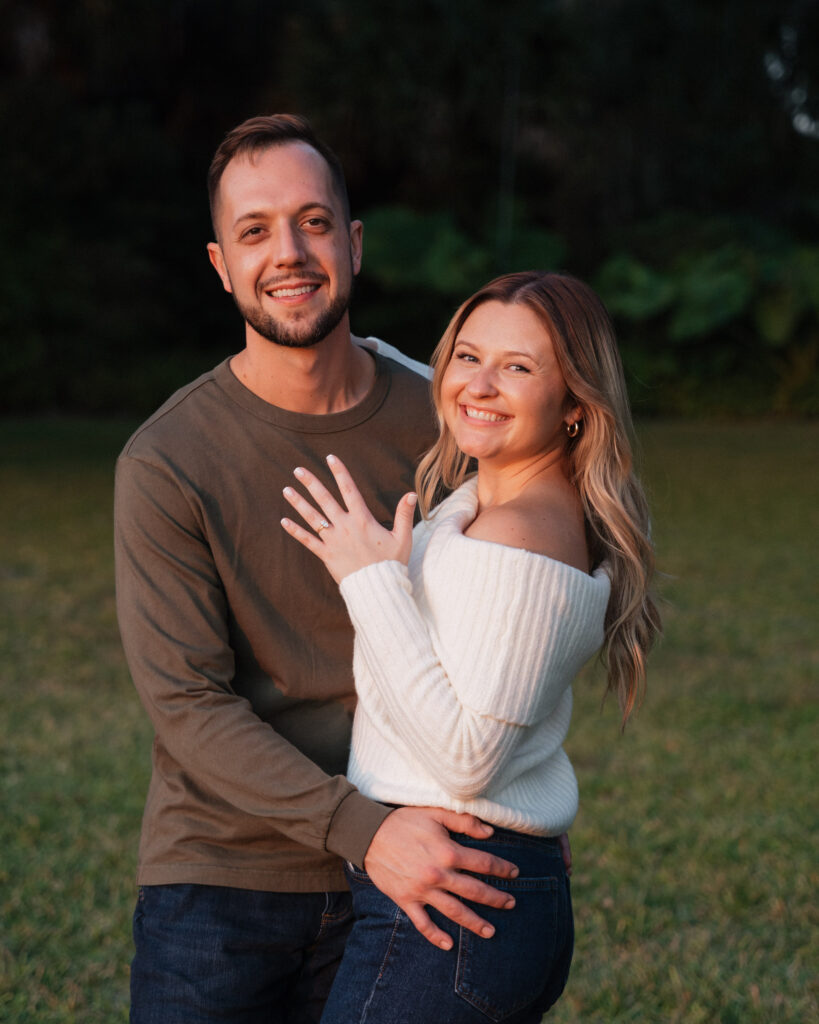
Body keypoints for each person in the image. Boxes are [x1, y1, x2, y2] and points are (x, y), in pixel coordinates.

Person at [114, 114, 527, 1024]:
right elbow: (188, 703)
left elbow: (510, 619)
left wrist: (521, 797)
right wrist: (362, 833)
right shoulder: (167, 461)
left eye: (312, 221)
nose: (288, 252)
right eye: (254, 231)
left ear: (353, 242)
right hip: (222, 875)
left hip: (418, 855)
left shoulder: (449, 425)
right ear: (221, 264)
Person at [281, 270, 662, 1023]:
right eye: (466, 356)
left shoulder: (523, 535)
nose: (478, 385)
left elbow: (466, 756)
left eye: (517, 368)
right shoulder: (487, 501)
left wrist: (369, 581)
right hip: (469, 890)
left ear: (575, 407)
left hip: (454, 905)